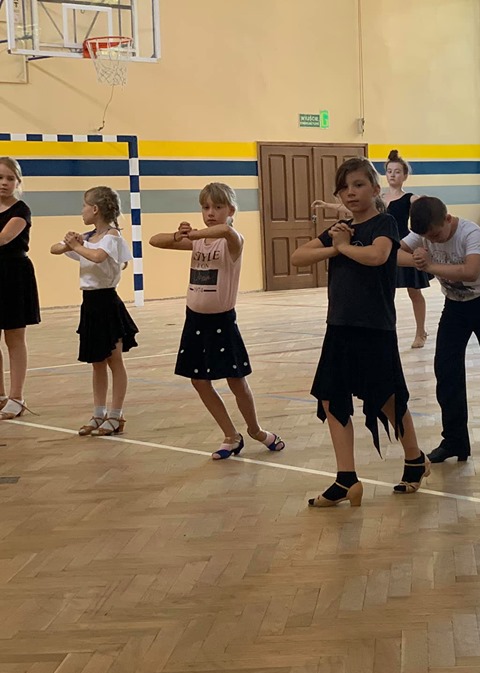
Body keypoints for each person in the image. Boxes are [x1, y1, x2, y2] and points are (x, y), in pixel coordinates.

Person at [292, 158, 430, 505]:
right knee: (330, 397)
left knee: (387, 398)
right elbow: (298, 256)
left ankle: (415, 459)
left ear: (375, 188)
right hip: (339, 324)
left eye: (358, 185)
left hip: (374, 326)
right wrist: (335, 244)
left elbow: (377, 256)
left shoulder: (384, 223)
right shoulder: (340, 229)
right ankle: (346, 479)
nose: (350, 193)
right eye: (344, 188)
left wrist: (342, 248)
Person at [149, 183, 285, 460]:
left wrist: (195, 233)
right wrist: (179, 235)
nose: (210, 213)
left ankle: (256, 430)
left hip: (222, 321)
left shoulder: (233, 240)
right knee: (199, 381)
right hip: (194, 320)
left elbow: (225, 231)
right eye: (206, 207)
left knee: (236, 381)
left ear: (231, 210)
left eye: (218, 207)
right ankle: (230, 436)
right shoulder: (198, 241)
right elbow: (155, 240)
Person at [400, 196, 480, 462]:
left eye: (436, 235)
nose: (432, 241)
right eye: (427, 238)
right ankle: (455, 441)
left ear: (447, 219)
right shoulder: (423, 233)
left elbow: (471, 271)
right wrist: (415, 258)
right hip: (455, 307)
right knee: (446, 370)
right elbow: (392, 253)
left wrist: (428, 265)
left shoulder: (470, 232)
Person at [50, 186, 138, 436]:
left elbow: (98, 256)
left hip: (107, 303)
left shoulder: (112, 236)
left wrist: (77, 246)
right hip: (89, 304)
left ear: (95, 209)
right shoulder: (87, 238)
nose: (82, 211)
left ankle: (116, 414)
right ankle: (98, 412)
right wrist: (70, 241)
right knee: (97, 362)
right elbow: (54, 249)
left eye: (84, 206)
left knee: (114, 360)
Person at [0, 157, 40, 420]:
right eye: (0, 178)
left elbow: (3, 238)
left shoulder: (21, 210)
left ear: (18, 182)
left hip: (13, 275)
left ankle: (17, 397)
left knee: (14, 338)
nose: (4, 183)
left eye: (9, 178)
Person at [382, 149, 431, 349]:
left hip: (406, 245)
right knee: (386, 293)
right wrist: (331, 206)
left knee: (414, 292)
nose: (392, 175)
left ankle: (421, 332)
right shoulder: (379, 199)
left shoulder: (409, 198)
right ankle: (387, 332)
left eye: (397, 172)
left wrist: (425, 202)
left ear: (405, 176)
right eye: (389, 171)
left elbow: (424, 206)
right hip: (385, 247)